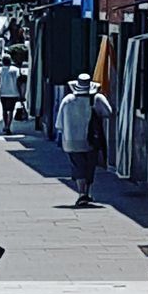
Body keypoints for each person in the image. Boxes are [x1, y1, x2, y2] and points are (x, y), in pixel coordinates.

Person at [56, 74, 113, 207]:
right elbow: (108, 112)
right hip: (91, 139)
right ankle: (87, 192)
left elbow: (59, 124)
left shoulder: (67, 100)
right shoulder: (97, 98)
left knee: (77, 166)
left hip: (71, 140)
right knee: (90, 166)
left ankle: (82, 193)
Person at [0, 55, 23, 134]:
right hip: (13, 93)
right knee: (11, 110)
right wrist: (21, 94)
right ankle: (8, 127)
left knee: (4, 110)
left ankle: (5, 125)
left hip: (3, 93)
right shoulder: (15, 70)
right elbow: (18, 83)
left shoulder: (0, 70)